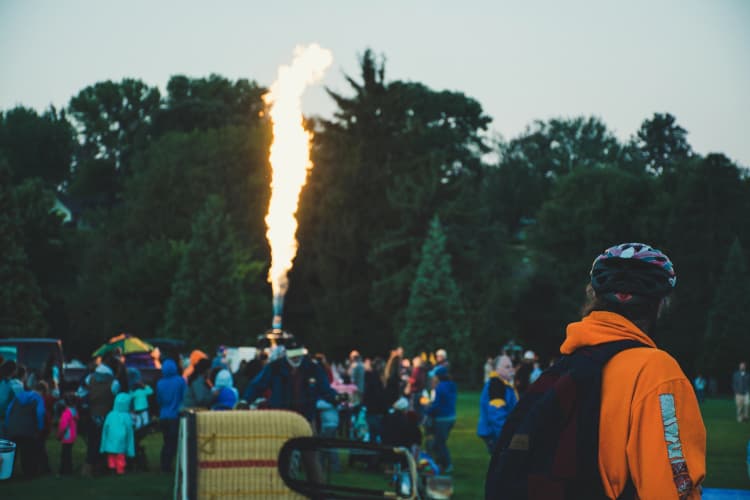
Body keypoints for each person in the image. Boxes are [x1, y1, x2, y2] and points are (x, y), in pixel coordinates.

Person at [552, 242, 705, 498]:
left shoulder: (568, 363)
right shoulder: (656, 371)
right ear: (662, 304)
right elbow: (670, 485)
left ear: (593, 296)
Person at [242, 340, 338, 425]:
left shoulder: (313, 368)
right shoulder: (274, 367)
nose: (295, 357)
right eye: (292, 354)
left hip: (305, 418)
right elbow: (257, 385)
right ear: (286, 353)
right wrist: (245, 400)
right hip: (280, 417)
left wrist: (337, 397)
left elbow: (325, 389)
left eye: (298, 354)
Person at [4, 365, 45, 478]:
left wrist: (8, 425)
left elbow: (8, 410)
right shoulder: (37, 398)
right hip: (28, 430)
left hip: (13, 428)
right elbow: (40, 413)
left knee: (13, 453)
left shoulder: (18, 397)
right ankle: (29, 473)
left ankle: (8, 473)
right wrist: (40, 428)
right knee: (27, 453)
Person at [477, 355, 518, 453]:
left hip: (498, 433)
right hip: (495, 434)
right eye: (507, 367)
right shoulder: (496, 385)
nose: (511, 369)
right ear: (497, 369)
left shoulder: (502, 384)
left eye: (511, 366)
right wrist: (507, 438)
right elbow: (496, 417)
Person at [425, 365, 456, 474]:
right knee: (440, 442)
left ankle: (447, 464)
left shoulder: (440, 387)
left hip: (442, 418)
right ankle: (440, 463)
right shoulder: (452, 385)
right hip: (451, 417)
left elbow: (437, 405)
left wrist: (427, 410)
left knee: (440, 443)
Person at [156, 359, 186, 473]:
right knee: (175, 442)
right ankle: (174, 464)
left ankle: (165, 464)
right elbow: (184, 397)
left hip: (164, 415)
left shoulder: (160, 383)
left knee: (167, 441)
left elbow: (158, 400)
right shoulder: (180, 381)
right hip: (176, 415)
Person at [100, 392, 135, 475]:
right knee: (120, 456)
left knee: (111, 455)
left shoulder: (110, 414)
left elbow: (105, 429)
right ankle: (120, 470)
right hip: (121, 440)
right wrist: (131, 450)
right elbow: (130, 432)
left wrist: (103, 445)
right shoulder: (126, 416)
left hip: (110, 439)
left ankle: (112, 469)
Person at [57, 392, 79, 475]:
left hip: (66, 436)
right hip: (72, 436)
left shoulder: (66, 413)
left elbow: (63, 426)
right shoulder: (74, 412)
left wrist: (59, 435)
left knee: (65, 455)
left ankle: (64, 471)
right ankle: (69, 469)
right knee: (68, 454)